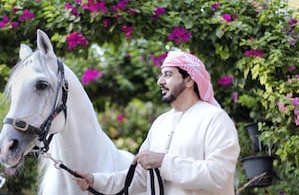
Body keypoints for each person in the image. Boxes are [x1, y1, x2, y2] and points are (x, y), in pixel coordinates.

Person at [74, 50, 240, 195]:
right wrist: (95, 181)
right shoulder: (161, 124)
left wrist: (163, 162)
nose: (160, 81)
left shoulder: (215, 119)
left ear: (189, 80)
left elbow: (218, 174)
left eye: (168, 74)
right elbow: (140, 179)